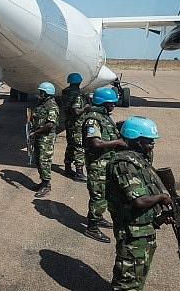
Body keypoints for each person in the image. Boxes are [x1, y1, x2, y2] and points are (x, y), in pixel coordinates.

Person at [106, 116, 173, 290]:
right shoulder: (123, 164)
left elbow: (147, 191)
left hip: (143, 229)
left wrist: (161, 215)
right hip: (131, 232)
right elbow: (139, 201)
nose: (152, 143)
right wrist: (162, 198)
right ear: (135, 139)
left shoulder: (139, 159)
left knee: (138, 277)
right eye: (148, 140)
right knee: (127, 282)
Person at [82, 87, 127, 243]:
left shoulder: (103, 116)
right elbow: (95, 142)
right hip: (97, 164)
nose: (113, 106)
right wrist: (118, 142)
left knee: (105, 193)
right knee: (98, 195)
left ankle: (98, 217)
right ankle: (92, 228)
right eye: (111, 103)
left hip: (105, 162)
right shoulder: (93, 119)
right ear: (102, 103)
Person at [28, 82, 59, 198]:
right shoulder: (41, 104)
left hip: (46, 139)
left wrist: (35, 132)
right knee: (38, 159)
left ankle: (46, 185)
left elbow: (50, 124)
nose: (40, 94)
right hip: (39, 136)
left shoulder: (52, 106)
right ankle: (43, 181)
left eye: (42, 92)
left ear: (47, 93)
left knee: (44, 161)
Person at [61, 72, 89, 182]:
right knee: (79, 147)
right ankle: (79, 173)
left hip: (68, 122)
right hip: (77, 124)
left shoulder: (65, 92)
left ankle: (67, 168)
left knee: (70, 145)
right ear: (79, 82)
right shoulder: (77, 95)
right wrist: (86, 107)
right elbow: (77, 111)